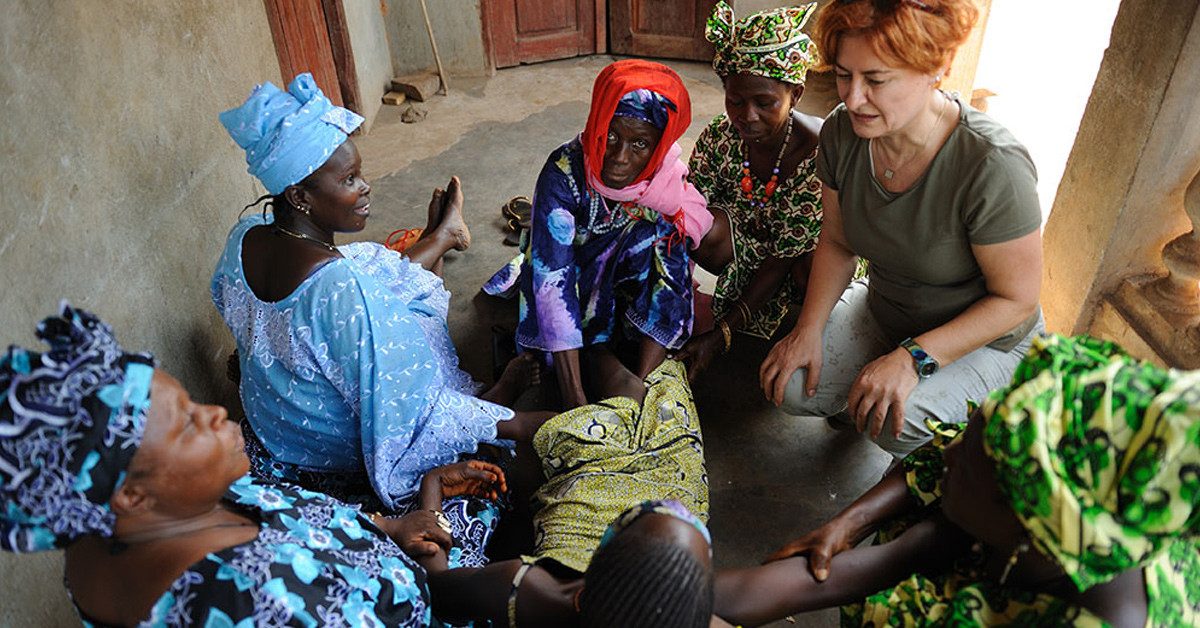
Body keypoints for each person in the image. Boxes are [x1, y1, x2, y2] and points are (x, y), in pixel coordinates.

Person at [0, 304, 507, 627]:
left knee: (475, 479)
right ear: (131, 496)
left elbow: (294, 522)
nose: (218, 413)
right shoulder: (249, 606)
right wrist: (461, 583)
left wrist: (396, 522)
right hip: (435, 594)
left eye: (193, 404)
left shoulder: (133, 515)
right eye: (188, 426)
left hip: (403, 556)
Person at [212, 74, 549, 528]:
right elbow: (407, 409)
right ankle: (497, 393)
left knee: (379, 274)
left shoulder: (246, 235)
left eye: (361, 172)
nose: (367, 187)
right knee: (417, 329)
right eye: (350, 179)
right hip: (329, 448)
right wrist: (520, 425)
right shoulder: (340, 291)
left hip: (279, 423)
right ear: (299, 196)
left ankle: (442, 237)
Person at [716, 334, 1200, 627]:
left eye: (968, 457)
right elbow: (894, 556)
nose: (946, 450)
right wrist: (847, 525)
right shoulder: (1044, 527)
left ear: (1023, 522)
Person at [759, 0, 1044, 457]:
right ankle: (868, 385)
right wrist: (807, 330)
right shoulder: (842, 132)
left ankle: (965, 446)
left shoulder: (992, 165)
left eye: (876, 80)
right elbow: (836, 241)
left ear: (937, 67)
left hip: (985, 342)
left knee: (894, 424)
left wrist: (914, 358)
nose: (852, 98)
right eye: (842, 74)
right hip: (888, 310)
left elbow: (1017, 300)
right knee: (791, 384)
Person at [414, 354, 715, 627]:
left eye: (628, 520)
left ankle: (581, 349)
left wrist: (433, 487)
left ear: (596, 559)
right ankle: (592, 348)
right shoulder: (685, 608)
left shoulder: (530, 593)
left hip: (581, 504)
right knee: (658, 410)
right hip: (659, 477)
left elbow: (437, 586)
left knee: (619, 408)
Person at [483, 59, 711, 410]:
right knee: (551, 361)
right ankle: (576, 359)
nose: (619, 157)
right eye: (612, 136)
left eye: (640, 145)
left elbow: (670, 281)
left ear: (659, 147)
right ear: (597, 124)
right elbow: (552, 282)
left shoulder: (666, 185)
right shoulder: (563, 172)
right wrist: (575, 399)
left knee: (663, 236)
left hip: (622, 292)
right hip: (569, 280)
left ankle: (616, 354)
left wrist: (643, 381)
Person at [675, 1, 833, 378]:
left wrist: (721, 334)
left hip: (804, 257)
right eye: (736, 101)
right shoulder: (721, 135)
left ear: (794, 95)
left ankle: (811, 330)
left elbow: (781, 259)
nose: (747, 116)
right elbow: (684, 207)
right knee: (696, 225)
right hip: (751, 239)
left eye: (765, 103)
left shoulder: (820, 155)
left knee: (810, 269)